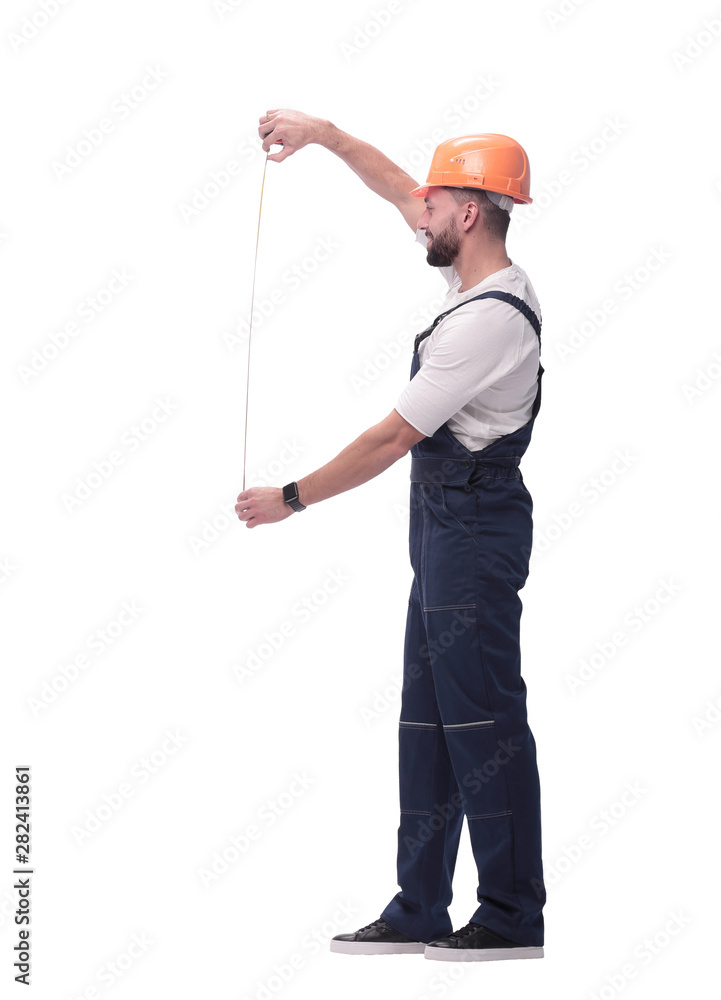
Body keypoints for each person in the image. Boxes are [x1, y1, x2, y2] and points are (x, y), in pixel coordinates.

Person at [235, 109, 546, 962]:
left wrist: (290, 498)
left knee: (483, 720)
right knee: (429, 722)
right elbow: (395, 186)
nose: (419, 212)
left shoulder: (487, 319)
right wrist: (324, 135)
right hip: (444, 533)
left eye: (434, 204)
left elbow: (390, 439)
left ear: (469, 214)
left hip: (474, 532)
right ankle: (419, 907)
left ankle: (511, 914)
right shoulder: (472, 276)